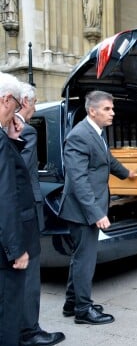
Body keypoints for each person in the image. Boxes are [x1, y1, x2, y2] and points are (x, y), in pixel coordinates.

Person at [59, 90, 137, 325]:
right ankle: (83, 311)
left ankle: (71, 303)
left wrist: (127, 173)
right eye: (107, 109)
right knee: (85, 260)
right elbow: (78, 179)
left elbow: (107, 159)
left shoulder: (96, 132)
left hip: (86, 208)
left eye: (112, 108)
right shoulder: (79, 136)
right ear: (92, 111)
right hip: (82, 210)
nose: (112, 113)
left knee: (80, 258)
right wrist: (97, 213)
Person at [15, 83, 66, 346]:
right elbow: (21, 171)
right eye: (33, 103)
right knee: (30, 269)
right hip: (24, 209)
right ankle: (29, 331)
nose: (34, 109)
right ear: (24, 103)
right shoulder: (26, 130)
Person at [0, 72, 30, 346]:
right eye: (18, 106)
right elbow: (5, 196)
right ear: (6, 100)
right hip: (3, 249)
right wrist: (16, 250)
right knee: (7, 316)